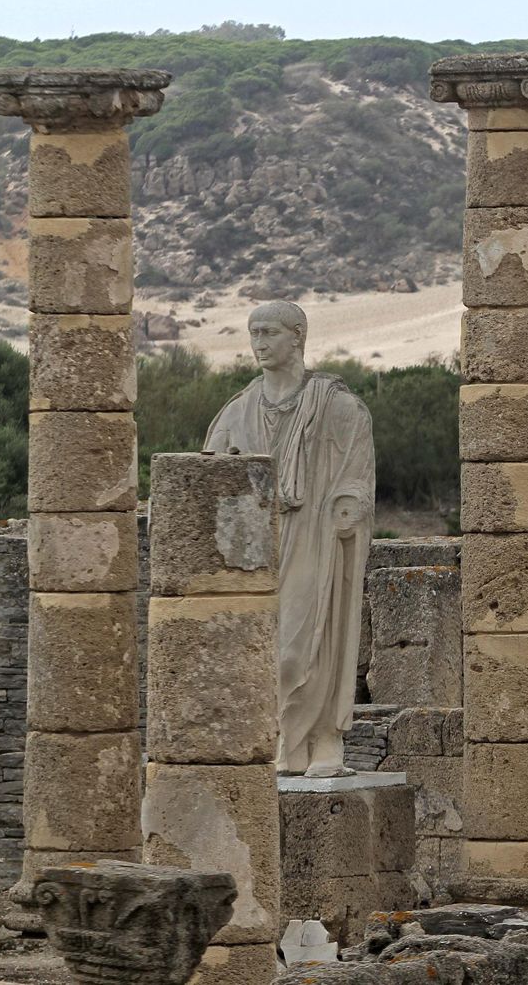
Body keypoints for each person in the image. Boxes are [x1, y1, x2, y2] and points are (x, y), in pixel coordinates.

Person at [204, 301, 375, 778]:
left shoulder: (338, 407)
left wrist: (349, 503)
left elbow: (357, 474)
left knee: (304, 646)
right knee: (257, 650)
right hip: (257, 547)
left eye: (269, 332)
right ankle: (281, 741)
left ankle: (324, 738)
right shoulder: (237, 411)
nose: (258, 343)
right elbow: (206, 477)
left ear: (297, 335)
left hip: (314, 537)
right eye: (253, 333)